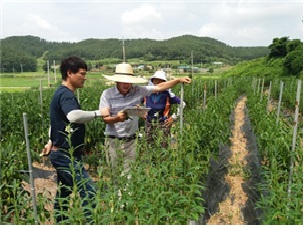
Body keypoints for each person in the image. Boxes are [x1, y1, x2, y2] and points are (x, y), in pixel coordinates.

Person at [99, 63, 191, 178]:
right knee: (115, 175)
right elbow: (105, 119)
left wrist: (178, 80)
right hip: (113, 141)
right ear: (116, 81)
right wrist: (117, 118)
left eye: (128, 81)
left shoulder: (138, 91)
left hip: (131, 141)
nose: (126, 84)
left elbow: (160, 87)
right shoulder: (107, 94)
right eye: (122, 81)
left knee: (129, 176)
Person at [41, 56, 102, 224]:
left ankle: (60, 222)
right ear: (69, 73)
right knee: (89, 191)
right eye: (82, 73)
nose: (85, 77)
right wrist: (99, 113)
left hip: (62, 152)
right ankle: (92, 223)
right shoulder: (66, 95)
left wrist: (50, 140)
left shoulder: (61, 93)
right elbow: (73, 116)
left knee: (64, 191)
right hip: (65, 154)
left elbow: (56, 121)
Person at [142, 70, 186, 149]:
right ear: (152, 81)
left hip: (163, 124)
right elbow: (135, 102)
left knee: (162, 148)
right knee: (148, 148)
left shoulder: (167, 95)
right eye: (156, 80)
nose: (158, 82)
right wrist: (141, 112)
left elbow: (182, 104)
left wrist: (173, 117)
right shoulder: (146, 93)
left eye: (161, 81)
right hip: (149, 124)